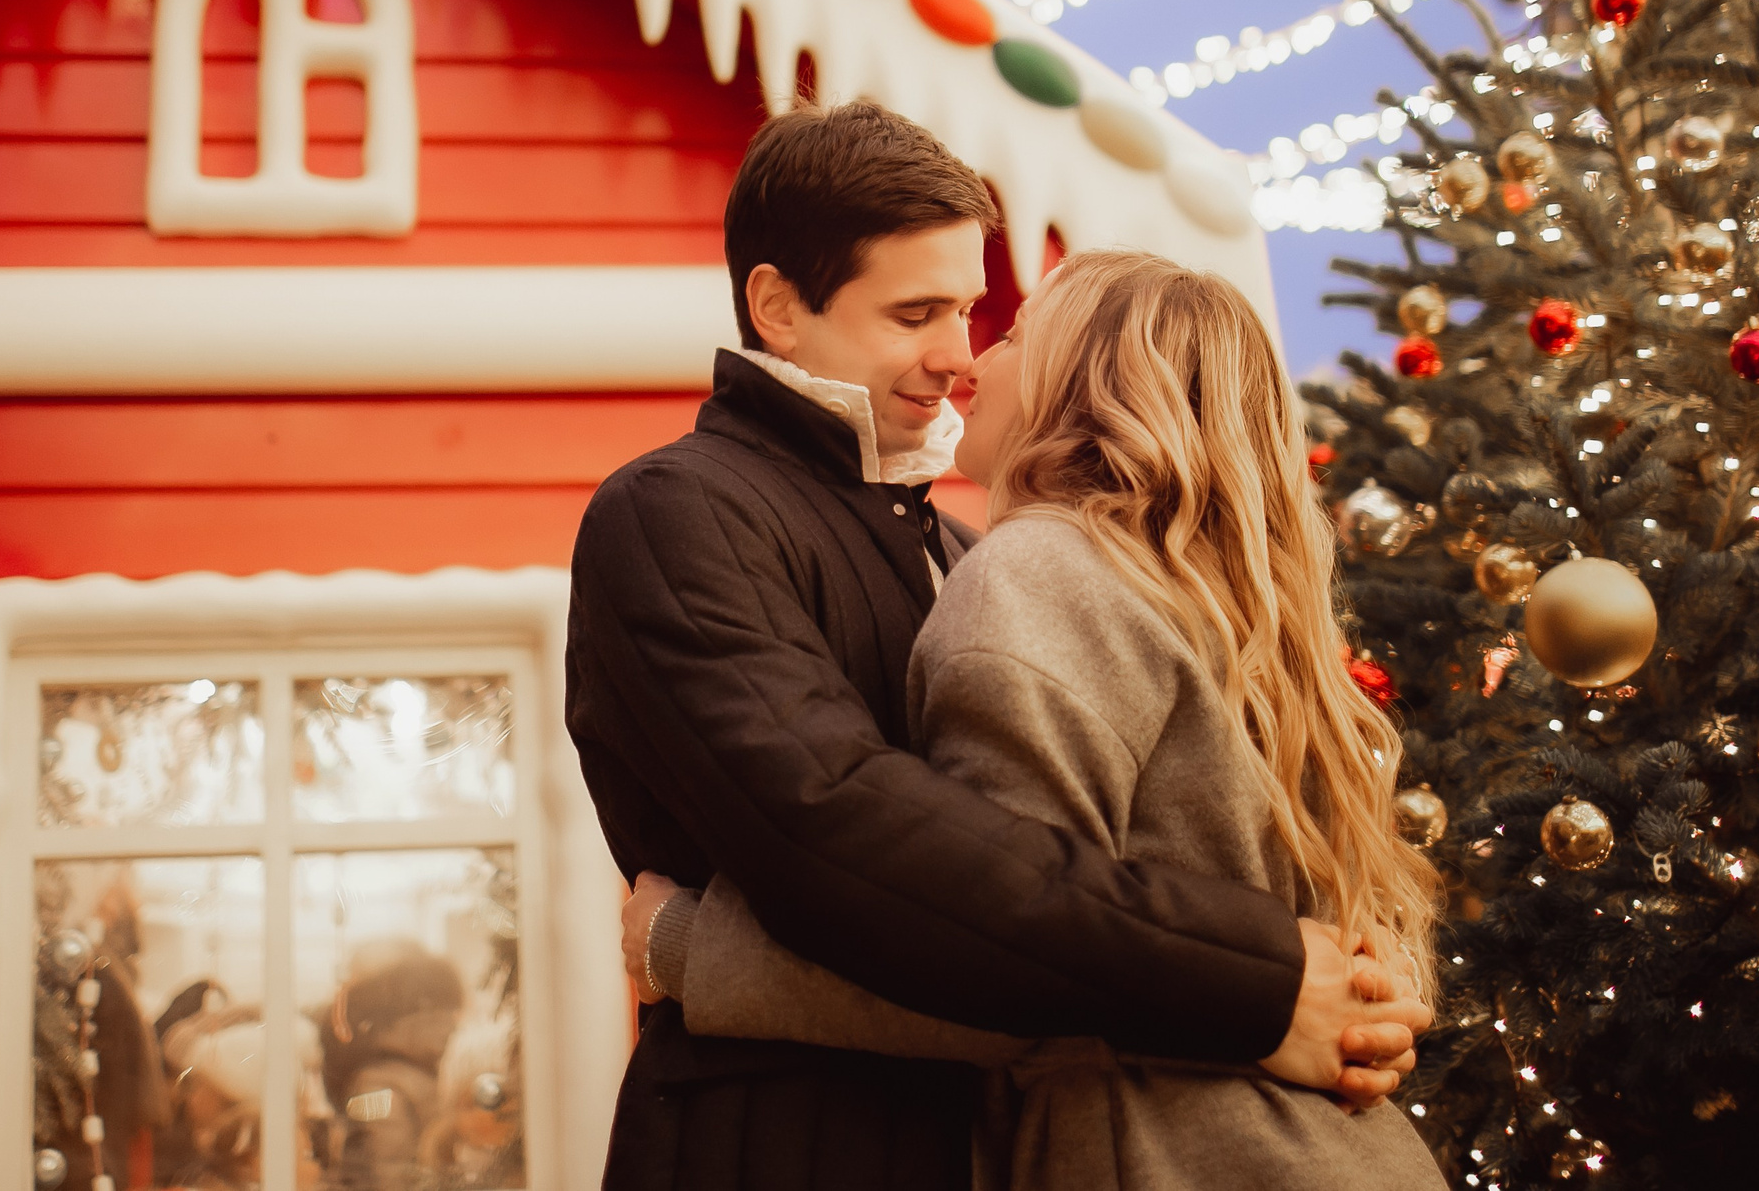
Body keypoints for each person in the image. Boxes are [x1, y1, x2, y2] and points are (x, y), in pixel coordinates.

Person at [565, 103, 1428, 1191]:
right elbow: (843, 834)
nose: (956, 355)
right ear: (777, 307)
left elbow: (1059, 890)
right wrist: (1258, 990)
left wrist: (691, 944)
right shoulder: (679, 511)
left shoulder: (974, 550)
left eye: (974, 312)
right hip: (791, 1144)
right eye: (915, 312)